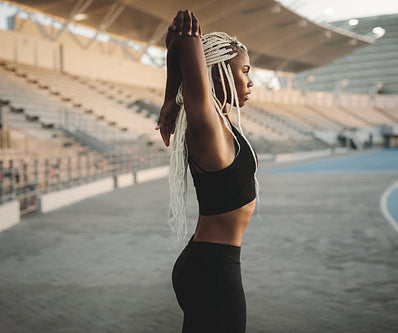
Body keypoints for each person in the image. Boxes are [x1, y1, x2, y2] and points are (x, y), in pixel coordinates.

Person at [155, 10, 257, 333]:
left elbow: (175, 41)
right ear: (217, 76)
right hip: (215, 272)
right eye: (244, 71)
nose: (251, 80)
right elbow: (184, 40)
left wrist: (171, 96)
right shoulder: (208, 126)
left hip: (210, 263)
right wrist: (171, 98)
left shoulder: (222, 119)